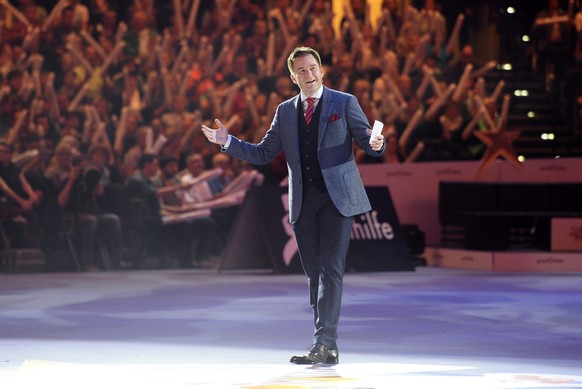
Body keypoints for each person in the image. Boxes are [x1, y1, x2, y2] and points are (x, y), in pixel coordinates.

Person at [202, 46, 385, 365]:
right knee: (315, 273)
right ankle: (327, 346)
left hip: (336, 199)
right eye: (301, 70)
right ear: (293, 77)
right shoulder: (285, 111)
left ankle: (323, 342)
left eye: (313, 68)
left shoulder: (344, 102)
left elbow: (367, 139)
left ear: (322, 70)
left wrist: (376, 143)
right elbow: (262, 153)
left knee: (331, 267)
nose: (309, 74)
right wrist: (227, 142)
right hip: (302, 200)